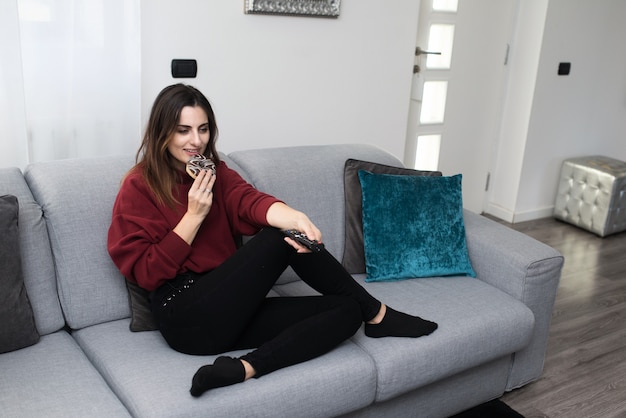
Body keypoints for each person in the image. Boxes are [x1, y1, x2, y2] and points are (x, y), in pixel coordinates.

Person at [107, 83, 438, 397]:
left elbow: (249, 201)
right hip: (184, 317)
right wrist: (194, 215)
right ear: (162, 132)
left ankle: (245, 367)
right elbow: (147, 273)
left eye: (203, 129)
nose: (196, 140)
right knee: (277, 239)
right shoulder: (139, 186)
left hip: (231, 311)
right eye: (184, 130)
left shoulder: (215, 173)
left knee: (346, 312)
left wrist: (294, 218)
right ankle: (378, 313)